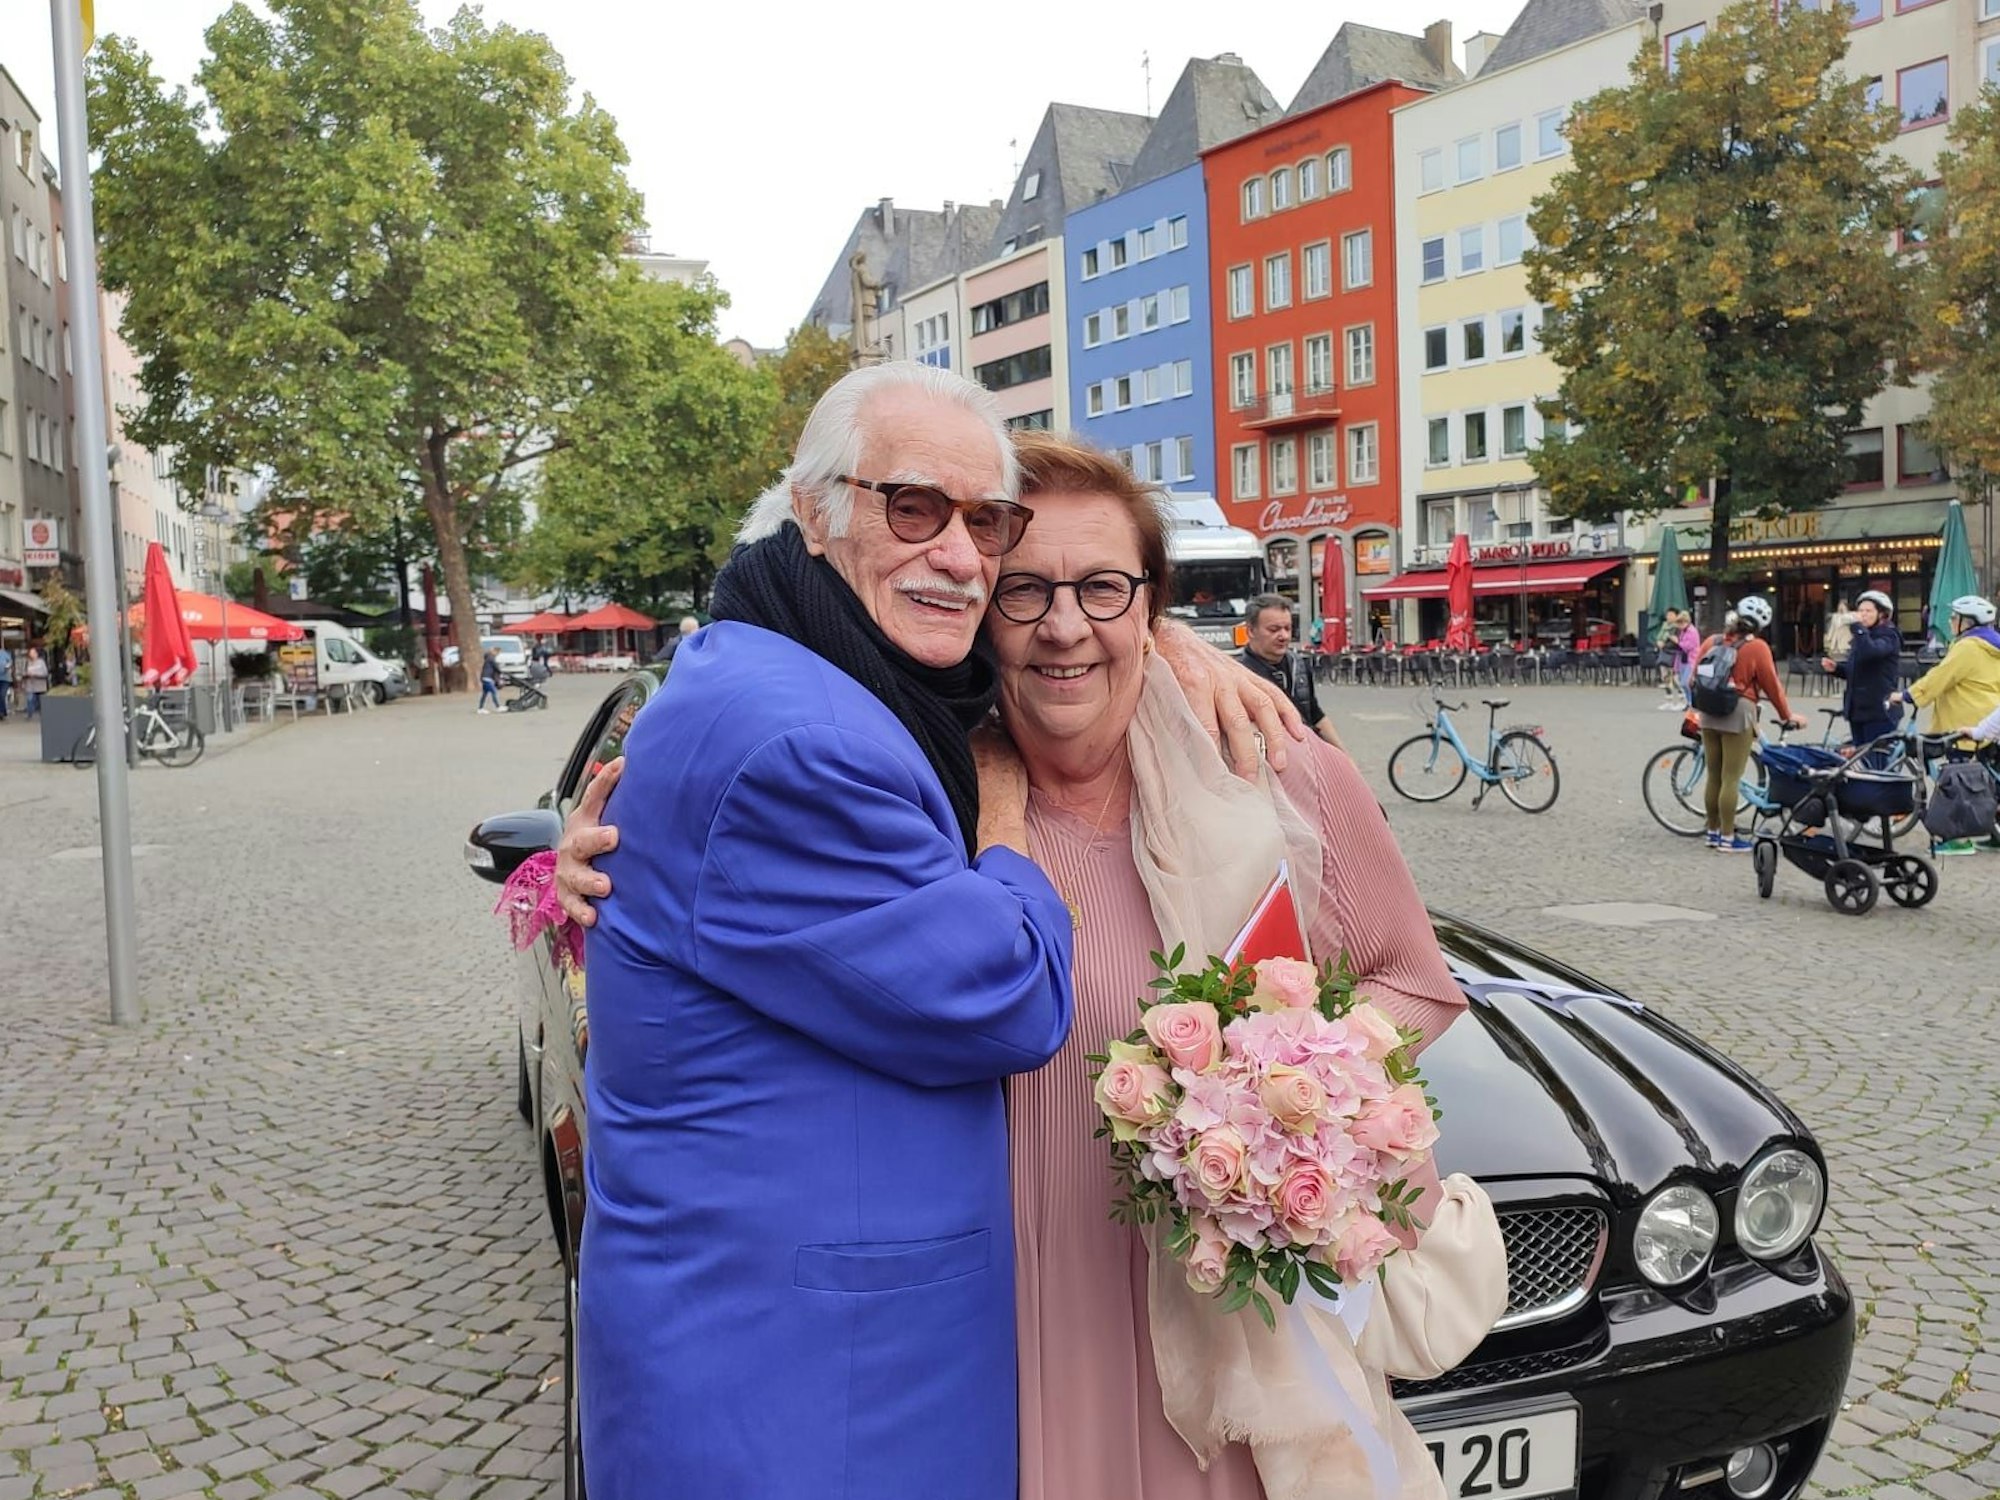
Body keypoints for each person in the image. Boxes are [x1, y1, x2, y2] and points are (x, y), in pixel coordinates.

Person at [563, 432, 1477, 1500]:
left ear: (1150, 605)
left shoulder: (1272, 773)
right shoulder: (922, 811)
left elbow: (1408, 979)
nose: (1060, 627)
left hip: (1219, 1321)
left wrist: (1283, 1102)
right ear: (977, 612)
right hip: (990, 1342)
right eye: (1025, 590)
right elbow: (726, 845)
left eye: (1100, 589)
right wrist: (568, 858)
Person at [1692, 595, 1804, 852]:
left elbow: (1693, 679)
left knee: (1714, 776)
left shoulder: (1712, 641)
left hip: (1708, 714)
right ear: (1759, 626)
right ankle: (1729, 839)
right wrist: (1787, 715)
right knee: (1732, 777)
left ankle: (1712, 832)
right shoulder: (1757, 648)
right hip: (1738, 713)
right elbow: (1772, 686)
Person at [1891, 594, 2000, 855]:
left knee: (1958, 778)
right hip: (1991, 716)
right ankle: (1995, 834)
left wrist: (1907, 695)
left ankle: (1959, 840)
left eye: (1954, 617)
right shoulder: (1993, 645)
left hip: (1967, 720)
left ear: (1967, 621)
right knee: (1989, 781)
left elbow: (1941, 676)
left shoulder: (1969, 646)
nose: (1950, 621)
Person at [1239, 593, 1343, 750]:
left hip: (1311, 754)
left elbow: (1315, 714)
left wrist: (1344, 755)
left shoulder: (1299, 664)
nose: (1284, 636)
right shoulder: (1240, 676)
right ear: (1251, 631)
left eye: (1287, 628)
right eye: (1274, 629)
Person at [1821, 589, 1900, 756]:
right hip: (1858, 711)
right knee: (1859, 761)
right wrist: (1837, 669)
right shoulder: (1863, 636)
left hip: (1878, 711)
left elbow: (1871, 652)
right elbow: (1858, 669)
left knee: (1875, 762)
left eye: (1869, 611)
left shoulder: (1888, 635)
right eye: (1861, 610)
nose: (1863, 615)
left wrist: (1857, 628)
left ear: (1882, 614)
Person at [22, 646, 49, 719]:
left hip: (40, 685)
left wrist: (36, 675)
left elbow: (45, 673)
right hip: (30, 685)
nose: (31, 654)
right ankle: (29, 715)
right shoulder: (28, 662)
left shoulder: (41, 662)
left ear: (36, 654)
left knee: (41, 701)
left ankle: (43, 715)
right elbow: (23, 673)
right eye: (30, 653)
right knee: (29, 699)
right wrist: (26, 676)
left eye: (33, 653)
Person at [0, 641, 12, 720]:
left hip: (5, 679)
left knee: (2, 695)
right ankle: (2, 713)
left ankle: (3, 712)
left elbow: (10, 662)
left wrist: (7, 667)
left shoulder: (3, 653)